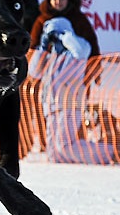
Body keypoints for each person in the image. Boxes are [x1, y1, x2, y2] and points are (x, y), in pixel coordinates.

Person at [30, 17, 117, 164]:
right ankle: (64, 177)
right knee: (53, 154)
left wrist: (63, 35)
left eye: (53, 34)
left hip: (70, 103)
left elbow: (81, 50)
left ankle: (111, 151)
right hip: (51, 104)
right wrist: (42, 48)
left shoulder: (77, 49)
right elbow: (34, 72)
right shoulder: (51, 56)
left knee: (64, 146)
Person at [30, 0, 99, 57]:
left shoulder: (79, 18)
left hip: (75, 64)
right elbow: (33, 44)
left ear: (68, 0)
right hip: (47, 64)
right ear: (49, 1)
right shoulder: (42, 20)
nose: (58, 2)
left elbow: (91, 41)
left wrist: (95, 65)